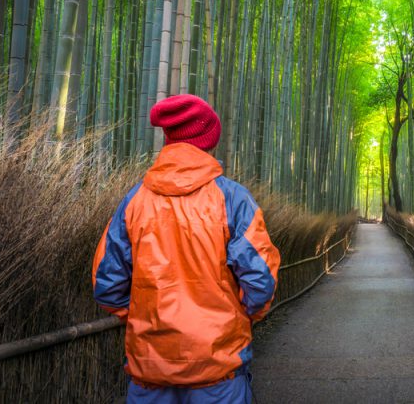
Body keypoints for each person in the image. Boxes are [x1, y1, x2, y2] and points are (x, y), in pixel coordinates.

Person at [92, 94, 280, 403]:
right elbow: (260, 284)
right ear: (209, 141)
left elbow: (106, 286)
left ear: (168, 140)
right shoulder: (233, 200)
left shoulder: (134, 202)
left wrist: (148, 316)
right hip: (218, 373)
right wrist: (233, 318)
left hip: (149, 369)